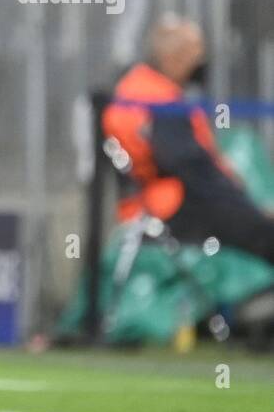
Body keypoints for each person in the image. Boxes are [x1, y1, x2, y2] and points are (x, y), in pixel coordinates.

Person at [104, 17, 274, 263]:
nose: (200, 66)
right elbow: (191, 167)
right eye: (195, 58)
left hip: (159, 204)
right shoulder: (157, 99)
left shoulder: (141, 86)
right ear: (174, 58)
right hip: (168, 208)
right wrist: (247, 209)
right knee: (262, 234)